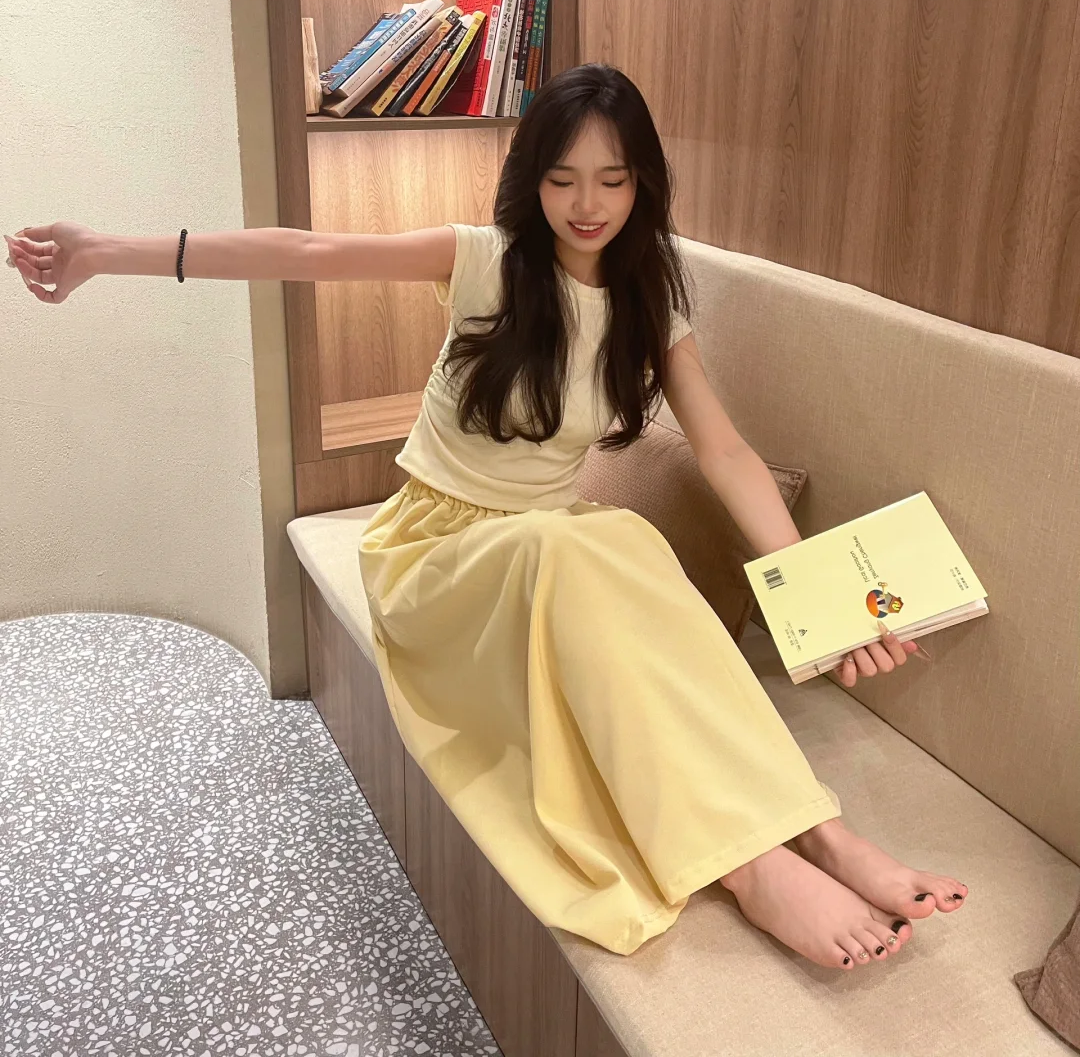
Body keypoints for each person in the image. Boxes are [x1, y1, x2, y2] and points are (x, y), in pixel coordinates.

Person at [5, 62, 968, 965]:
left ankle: (823, 833)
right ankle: (751, 866)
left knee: (620, 542)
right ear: (530, 179)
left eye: (613, 180)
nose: (586, 205)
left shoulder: (647, 305)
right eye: (561, 179)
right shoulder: (486, 262)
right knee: (576, 543)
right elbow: (306, 250)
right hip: (434, 557)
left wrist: (826, 603)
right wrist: (107, 252)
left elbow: (725, 453)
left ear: (643, 184)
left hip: (544, 548)